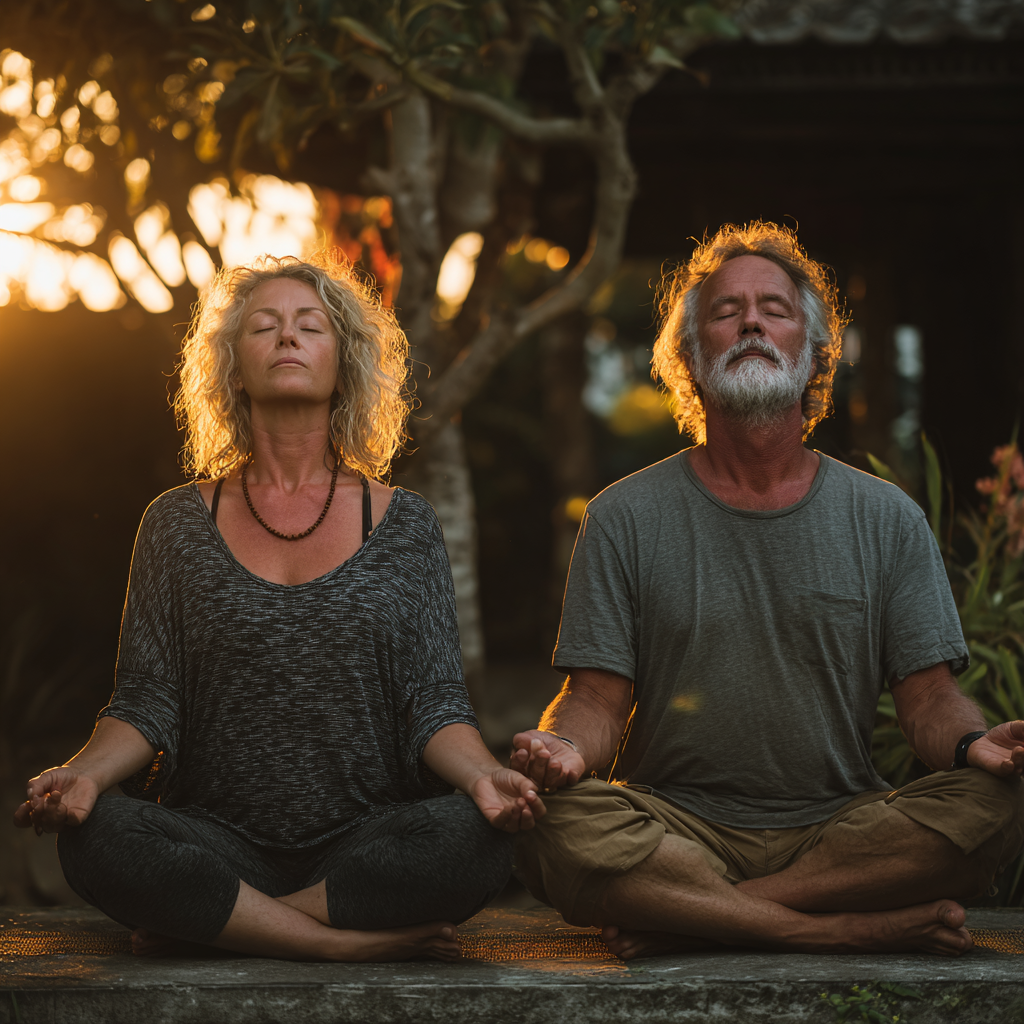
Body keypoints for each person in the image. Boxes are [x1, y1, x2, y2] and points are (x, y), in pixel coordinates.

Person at [510, 221, 1024, 959]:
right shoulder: (623, 515)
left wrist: (979, 746)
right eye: (725, 311)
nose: (750, 320)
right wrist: (557, 749)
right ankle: (846, 930)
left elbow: (929, 701)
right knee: (552, 820)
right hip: (674, 829)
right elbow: (595, 703)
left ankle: (695, 917)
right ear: (690, 354)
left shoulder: (886, 518)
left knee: (996, 803)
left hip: (841, 828)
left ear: (815, 352)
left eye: (774, 308)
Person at [13, 253, 544, 963]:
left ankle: (231, 925)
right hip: (215, 838)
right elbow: (145, 700)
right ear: (233, 368)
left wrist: (485, 779)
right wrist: (82, 774)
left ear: (342, 363)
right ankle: (339, 945)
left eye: (309, 327)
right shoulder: (175, 524)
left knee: (478, 838)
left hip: (367, 839)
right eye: (265, 327)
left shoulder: (406, 525)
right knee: (97, 834)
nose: (287, 338)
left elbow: (434, 705)